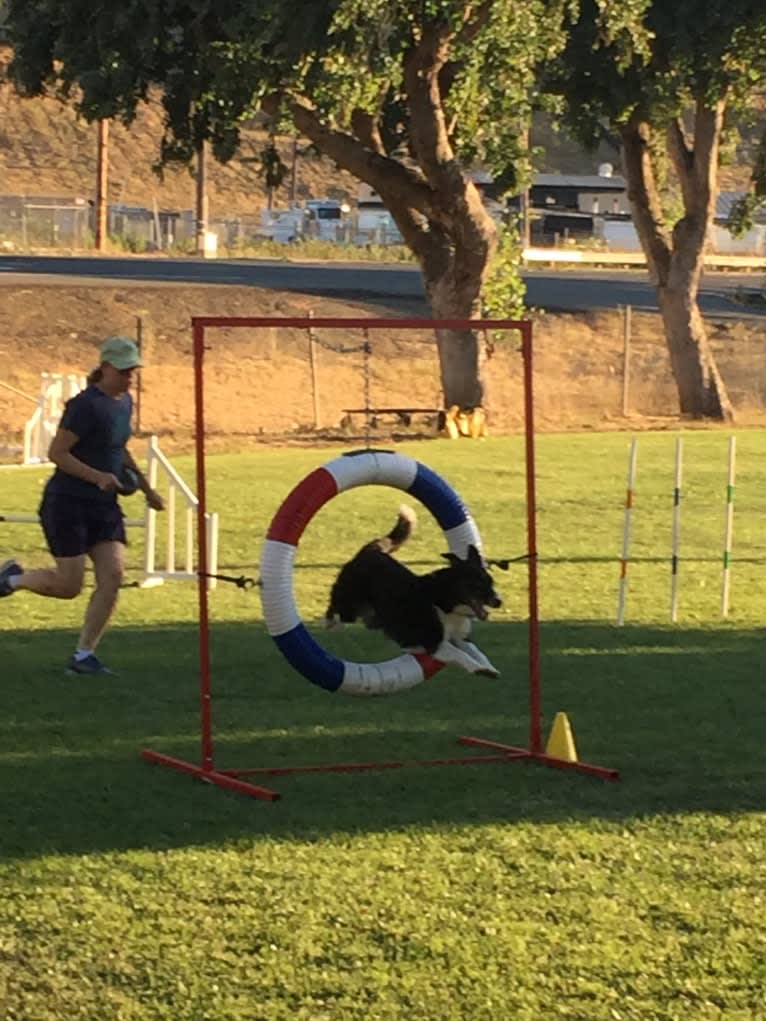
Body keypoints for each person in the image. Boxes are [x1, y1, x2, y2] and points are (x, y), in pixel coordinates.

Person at [0, 336, 164, 675]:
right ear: (104, 367)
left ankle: (83, 656)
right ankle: (12, 579)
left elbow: (121, 450)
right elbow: (57, 454)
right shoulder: (84, 406)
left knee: (113, 576)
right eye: (123, 370)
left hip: (104, 506)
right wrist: (97, 477)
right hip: (67, 503)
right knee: (68, 587)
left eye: (133, 370)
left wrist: (148, 489)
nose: (129, 376)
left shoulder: (125, 403)